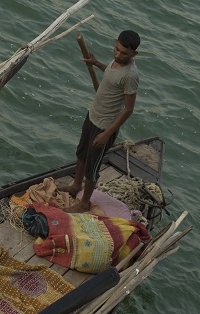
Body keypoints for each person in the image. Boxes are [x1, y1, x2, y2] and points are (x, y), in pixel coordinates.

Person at [60, 29, 141, 213]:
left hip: (104, 126)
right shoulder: (116, 62)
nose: (119, 55)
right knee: (81, 154)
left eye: (124, 53)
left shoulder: (131, 75)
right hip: (92, 116)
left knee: (92, 167)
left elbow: (128, 109)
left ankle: (84, 203)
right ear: (115, 43)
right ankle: (75, 186)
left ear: (134, 54)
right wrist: (96, 63)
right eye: (117, 49)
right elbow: (112, 76)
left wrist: (106, 134)